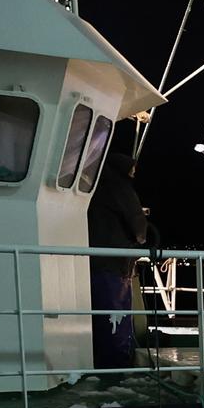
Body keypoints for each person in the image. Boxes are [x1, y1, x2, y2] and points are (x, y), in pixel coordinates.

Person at [85, 151, 147, 370]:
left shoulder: (93, 187)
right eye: (132, 169)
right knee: (116, 317)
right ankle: (116, 366)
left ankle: (100, 360)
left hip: (92, 262)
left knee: (99, 317)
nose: (133, 173)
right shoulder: (120, 188)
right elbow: (137, 224)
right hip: (115, 264)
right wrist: (142, 236)